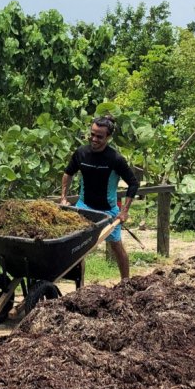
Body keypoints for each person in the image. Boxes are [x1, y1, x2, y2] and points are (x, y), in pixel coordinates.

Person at [60, 114, 141, 280]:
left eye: (99, 136)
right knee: (77, 247)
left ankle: (126, 283)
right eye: (92, 134)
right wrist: (63, 197)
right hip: (84, 207)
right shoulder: (81, 153)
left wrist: (124, 211)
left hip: (108, 212)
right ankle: (78, 285)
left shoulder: (115, 159)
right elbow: (68, 173)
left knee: (116, 246)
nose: (94, 139)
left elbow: (133, 183)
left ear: (108, 137)